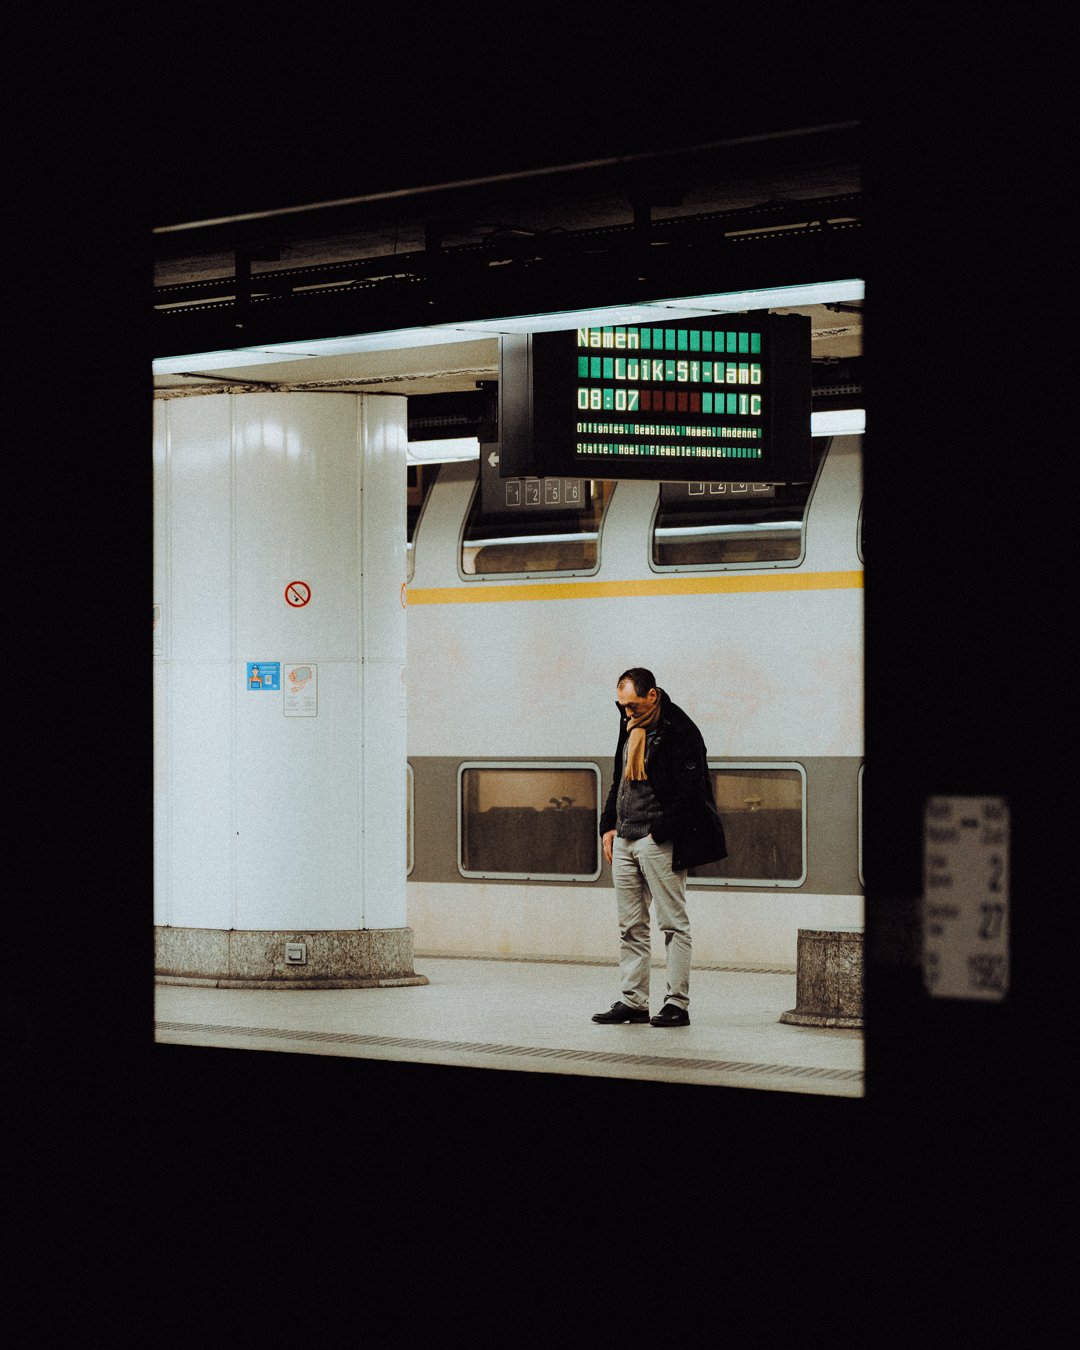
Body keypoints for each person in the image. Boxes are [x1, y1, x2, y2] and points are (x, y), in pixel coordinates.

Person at [592, 668, 727, 1027]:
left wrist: (657, 833)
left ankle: (676, 1004)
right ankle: (633, 1001)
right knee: (630, 926)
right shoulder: (631, 725)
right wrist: (608, 825)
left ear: (652, 695)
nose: (626, 713)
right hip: (624, 839)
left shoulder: (681, 731)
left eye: (633, 705)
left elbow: (692, 794)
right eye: (621, 707)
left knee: (673, 924)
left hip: (657, 841)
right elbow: (618, 779)